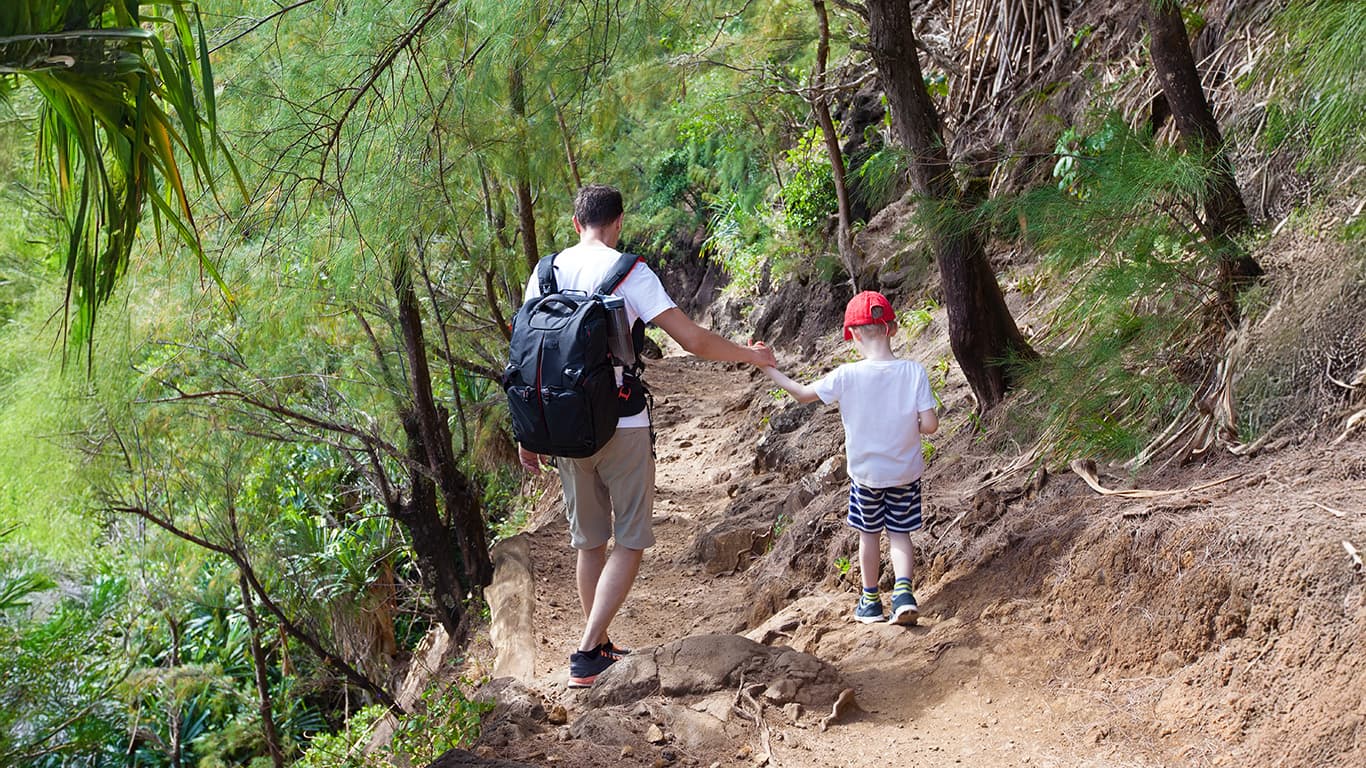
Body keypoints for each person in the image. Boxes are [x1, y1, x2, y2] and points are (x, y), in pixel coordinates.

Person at [518, 183, 777, 687]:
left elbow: (528, 354)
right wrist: (752, 355)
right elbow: (693, 339)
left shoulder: (544, 271)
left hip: (564, 427)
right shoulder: (629, 271)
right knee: (631, 539)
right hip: (621, 421)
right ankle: (587, 651)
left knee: (589, 543)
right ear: (617, 224)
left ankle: (599, 642)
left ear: (576, 224)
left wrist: (529, 432)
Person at [760, 290, 939, 625]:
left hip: (866, 477)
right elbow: (930, 425)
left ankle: (870, 602)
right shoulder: (914, 372)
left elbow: (800, 394)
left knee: (868, 535)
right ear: (893, 328)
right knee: (900, 534)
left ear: (854, 335)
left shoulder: (846, 375)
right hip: (904, 473)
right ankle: (903, 595)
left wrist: (768, 367)